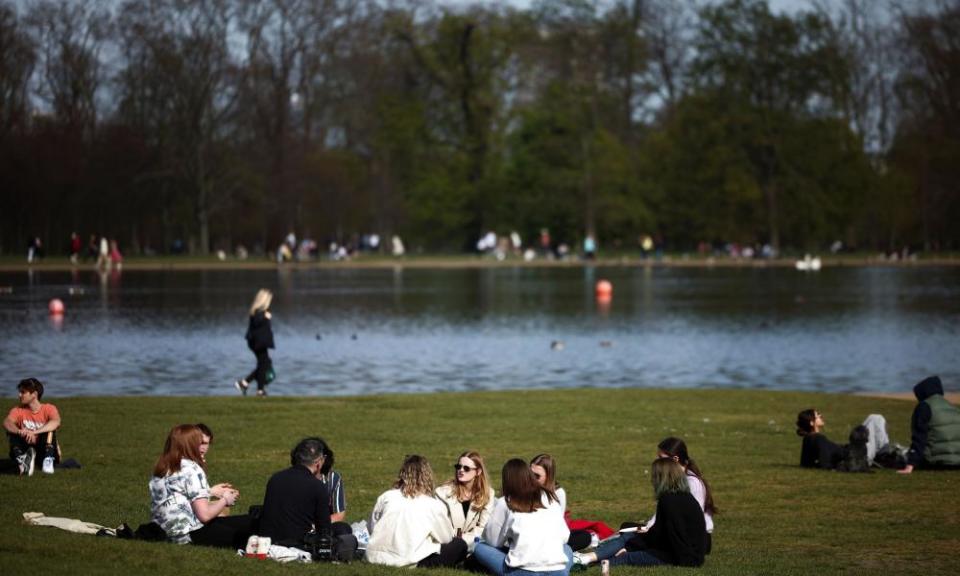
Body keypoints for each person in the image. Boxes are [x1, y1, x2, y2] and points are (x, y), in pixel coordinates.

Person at [574, 458, 706, 568]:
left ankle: (592, 564)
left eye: (654, 476)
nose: (652, 480)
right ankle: (589, 558)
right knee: (629, 535)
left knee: (627, 557)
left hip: (682, 557)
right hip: (688, 553)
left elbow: (661, 536)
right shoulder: (685, 497)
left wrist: (632, 547)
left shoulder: (668, 501)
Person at [149, 424, 253, 547]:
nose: (202, 447)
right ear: (189, 444)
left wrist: (209, 492)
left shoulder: (163, 466)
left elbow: (178, 499)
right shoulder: (191, 469)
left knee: (246, 521)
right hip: (189, 534)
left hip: (165, 531)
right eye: (198, 442)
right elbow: (204, 516)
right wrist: (225, 499)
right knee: (251, 536)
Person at [474, 459, 573, 576]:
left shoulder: (505, 502)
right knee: (566, 548)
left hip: (521, 571)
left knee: (479, 547)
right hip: (557, 570)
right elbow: (564, 537)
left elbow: (493, 541)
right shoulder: (550, 499)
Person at [366, 454, 466, 568]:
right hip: (405, 560)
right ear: (427, 476)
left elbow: (372, 528)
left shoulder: (386, 496)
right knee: (459, 545)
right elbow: (446, 538)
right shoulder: (432, 505)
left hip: (373, 556)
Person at [642, 438, 716, 553]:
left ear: (675, 459)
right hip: (683, 535)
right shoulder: (677, 480)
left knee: (637, 537)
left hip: (694, 540)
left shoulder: (692, 483)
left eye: (661, 458)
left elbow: (693, 519)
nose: (657, 461)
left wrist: (650, 529)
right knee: (628, 528)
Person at [259, 437, 337, 544]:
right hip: (297, 542)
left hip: (268, 540)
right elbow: (324, 529)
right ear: (318, 462)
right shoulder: (317, 486)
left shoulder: (276, 478)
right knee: (343, 529)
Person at [529, 454, 593, 551]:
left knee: (585, 537)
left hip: (550, 535)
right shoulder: (524, 488)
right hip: (529, 534)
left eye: (537, 476)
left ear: (549, 476)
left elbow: (557, 523)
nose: (532, 479)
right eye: (530, 474)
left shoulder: (558, 493)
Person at [435, 450, 495, 552]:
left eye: (466, 468)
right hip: (447, 544)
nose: (461, 470)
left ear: (478, 472)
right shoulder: (442, 493)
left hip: (474, 545)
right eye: (458, 467)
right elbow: (441, 527)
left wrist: (463, 539)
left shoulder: (488, 494)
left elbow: (483, 528)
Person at [899, 375, 960, 474]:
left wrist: (910, 465)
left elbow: (919, 437)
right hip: (958, 461)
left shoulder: (924, 407)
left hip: (934, 461)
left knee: (901, 455)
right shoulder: (953, 408)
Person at [797, 409, 893, 469]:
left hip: (854, 453)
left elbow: (805, 462)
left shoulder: (808, 438)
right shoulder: (818, 439)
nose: (821, 416)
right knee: (876, 418)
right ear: (811, 423)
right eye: (818, 415)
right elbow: (825, 463)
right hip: (859, 457)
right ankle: (884, 454)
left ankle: (883, 453)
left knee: (872, 419)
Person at [4, 378, 61, 476]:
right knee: (12, 431)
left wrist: (34, 432)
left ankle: (48, 461)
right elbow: (7, 422)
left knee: (50, 430)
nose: (19, 395)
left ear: (34, 394)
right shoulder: (18, 410)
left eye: (23, 392)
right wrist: (20, 431)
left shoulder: (49, 408)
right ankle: (22, 461)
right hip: (27, 450)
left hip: (44, 450)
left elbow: (55, 422)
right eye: (19, 392)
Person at [235, 289, 275, 397]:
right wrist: (265, 317)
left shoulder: (261, 311)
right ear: (264, 300)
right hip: (257, 343)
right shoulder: (258, 311)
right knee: (264, 364)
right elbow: (257, 322)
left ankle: (245, 384)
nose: (270, 302)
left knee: (264, 364)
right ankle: (259, 390)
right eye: (269, 300)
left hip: (259, 342)